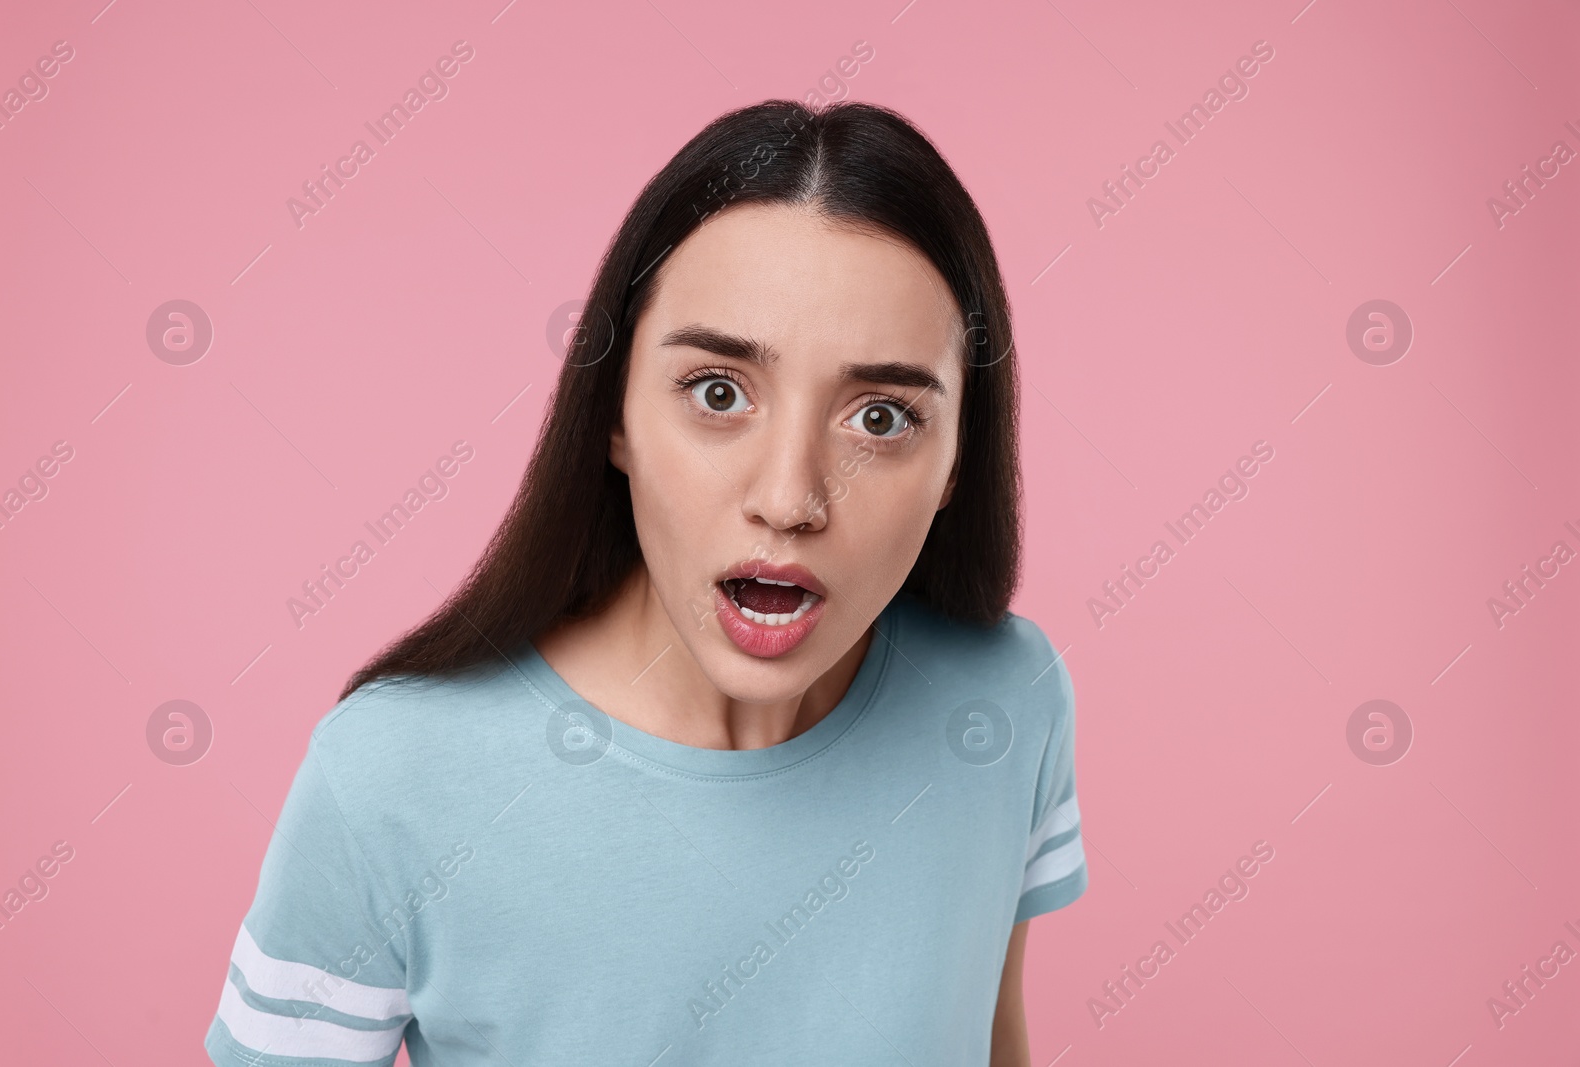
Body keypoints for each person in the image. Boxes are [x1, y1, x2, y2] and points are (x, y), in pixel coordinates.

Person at [204, 98, 1086, 1067]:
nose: (789, 498)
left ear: (959, 460)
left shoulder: (1005, 703)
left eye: (880, 418)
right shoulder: (390, 775)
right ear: (613, 412)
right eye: (718, 392)